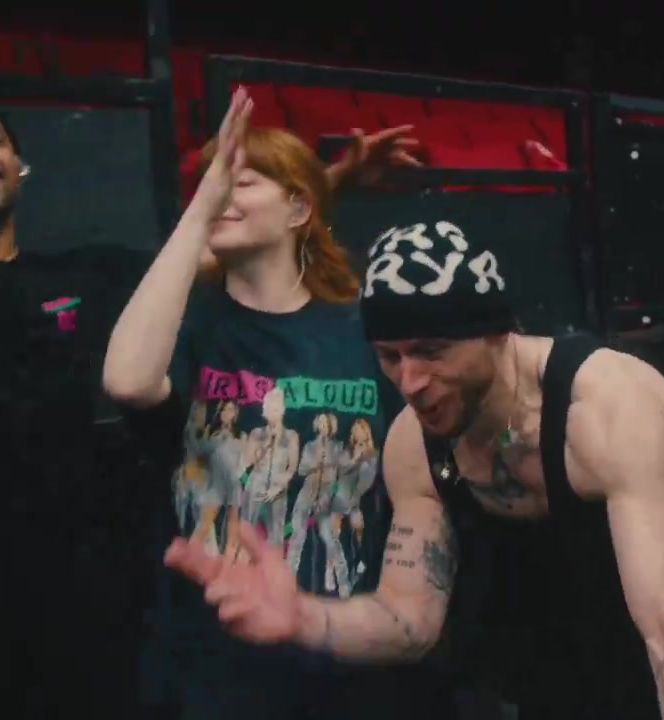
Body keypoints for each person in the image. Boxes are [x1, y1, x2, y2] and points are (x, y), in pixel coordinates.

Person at [163, 219, 664, 720]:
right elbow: (410, 620)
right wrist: (302, 617)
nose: (410, 382)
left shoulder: (603, 408)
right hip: (555, 686)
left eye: (431, 350)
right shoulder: (415, 444)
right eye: (390, 356)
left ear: (496, 332)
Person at [102, 88, 446, 718]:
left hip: (344, 660)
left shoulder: (363, 328)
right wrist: (205, 208)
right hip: (209, 671)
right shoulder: (188, 322)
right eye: (210, 184)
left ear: (298, 208)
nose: (218, 194)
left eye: (242, 181)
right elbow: (127, 382)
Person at [0, 92, 159, 718]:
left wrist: (317, 187)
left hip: (89, 622)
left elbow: (213, 252)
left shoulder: (84, 276)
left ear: (18, 164)